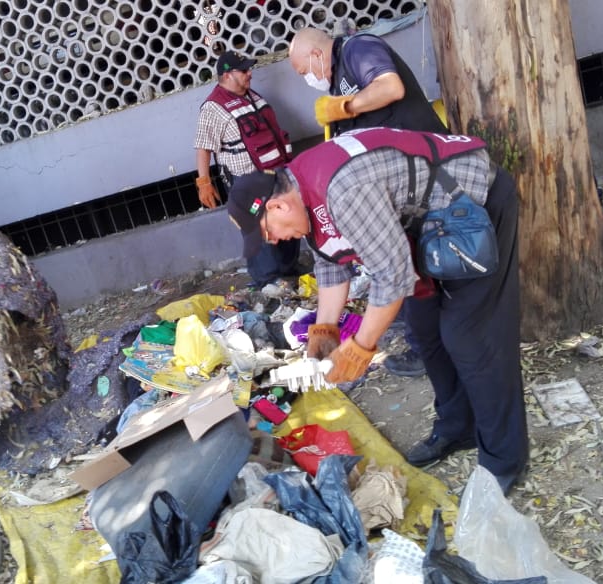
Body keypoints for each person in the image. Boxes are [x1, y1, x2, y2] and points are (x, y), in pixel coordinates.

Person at [225, 126, 528, 494]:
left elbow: (394, 276)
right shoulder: (302, 188)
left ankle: (503, 460)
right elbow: (331, 260)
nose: (274, 242)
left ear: (277, 206)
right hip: (430, 225)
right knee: (425, 328)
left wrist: (362, 346)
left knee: (469, 336)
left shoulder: (342, 190)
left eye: (268, 233)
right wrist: (325, 330)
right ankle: (458, 427)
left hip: (471, 203)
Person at [288, 26, 450, 376]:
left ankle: (432, 350)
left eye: (303, 71)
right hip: (396, 196)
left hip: (429, 178)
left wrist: (344, 106)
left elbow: (391, 87)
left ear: (317, 55)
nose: (307, 80)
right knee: (407, 272)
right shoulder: (335, 83)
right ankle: (425, 346)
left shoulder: (358, 49)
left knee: (416, 272)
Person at [193, 50, 301, 290]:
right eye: (244, 70)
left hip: (278, 175)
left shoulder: (251, 95)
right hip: (249, 183)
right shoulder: (213, 108)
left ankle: (288, 272)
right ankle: (267, 281)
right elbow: (203, 147)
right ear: (227, 75)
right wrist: (204, 182)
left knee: (285, 219)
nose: (250, 73)